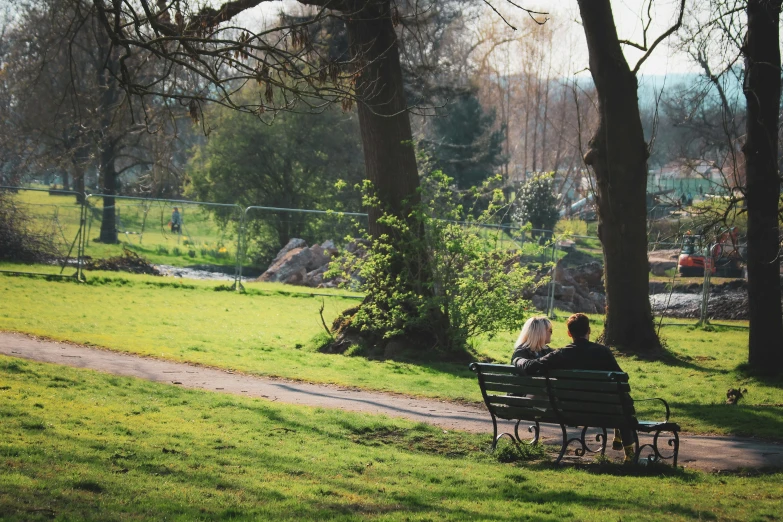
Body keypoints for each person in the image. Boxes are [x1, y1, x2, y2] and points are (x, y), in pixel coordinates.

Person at [514, 313, 635, 462]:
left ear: (569, 333)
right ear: (589, 331)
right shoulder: (603, 352)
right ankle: (629, 451)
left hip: (569, 410)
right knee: (622, 404)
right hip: (606, 410)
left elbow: (532, 367)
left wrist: (518, 360)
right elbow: (621, 380)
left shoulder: (561, 354)